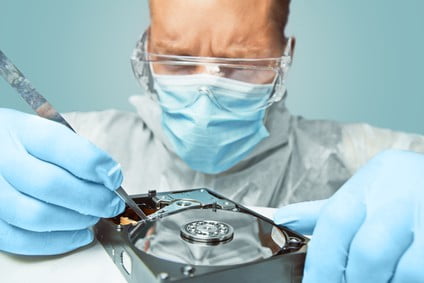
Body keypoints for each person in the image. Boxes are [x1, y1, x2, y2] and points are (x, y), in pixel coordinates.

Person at [0, 0, 423, 281]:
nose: (205, 92)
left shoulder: (364, 154)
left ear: (285, 56)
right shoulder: (67, 141)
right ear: (145, 52)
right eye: (177, 62)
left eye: (241, 64)